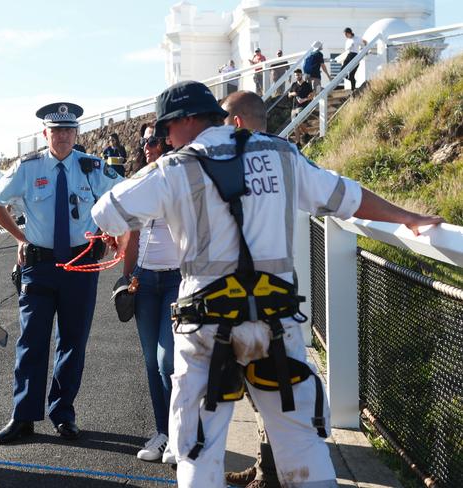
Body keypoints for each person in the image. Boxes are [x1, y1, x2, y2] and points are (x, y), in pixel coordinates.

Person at [91, 80, 443, 488]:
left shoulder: (173, 169)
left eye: (166, 128)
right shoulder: (281, 153)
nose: (165, 138)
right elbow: (346, 196)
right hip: (276, 324)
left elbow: (106, 214)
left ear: (187, 121)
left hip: (206, 328)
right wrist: (408, 218)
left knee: (197, 450)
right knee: (303, 445)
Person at [0, 102, 122, 445]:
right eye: (55, 130)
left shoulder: (91, 167)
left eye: (68, 130)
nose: (62, 136)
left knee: (73, 341)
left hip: (81, 263)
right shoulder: (28, 168)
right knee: (31, 341)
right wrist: (20, 238)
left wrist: (109, 230)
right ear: (45, 134)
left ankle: (63, 412)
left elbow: (121, 196)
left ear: (76, 133)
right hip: (39, 264)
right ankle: (24, 415)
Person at [221, 90, 280, 488]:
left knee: (265, 390)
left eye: (224, 123)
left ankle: (272, 473)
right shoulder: (285, 158)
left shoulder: (237, 163)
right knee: (258, 390)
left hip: (253, 295)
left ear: (237, 123)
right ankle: (265, 466)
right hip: (271, 292)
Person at [122, 121, 179, 464]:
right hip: (144, 281)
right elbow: (131, 237)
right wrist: (126, 276)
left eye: (154, 140)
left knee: (167, 360)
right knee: (149, 360)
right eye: (144, 141)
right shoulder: (137, 183)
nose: (147, 146)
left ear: (168, 142)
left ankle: (177, 435)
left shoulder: (179, 179)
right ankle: (161, 432)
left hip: (175, 279)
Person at [288, 68, 314, 146]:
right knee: (295, 125)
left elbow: (312, 95)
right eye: (296, 75)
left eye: (298, 75)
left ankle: (306, 134)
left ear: (301, 75)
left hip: (303, 106)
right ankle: (298, 142)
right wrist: (293, 94)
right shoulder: (293, 85)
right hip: (294, 107)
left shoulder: (306, 85)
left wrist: (304, 99)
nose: (297, 76)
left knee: (298, 121)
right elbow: (289, 95)